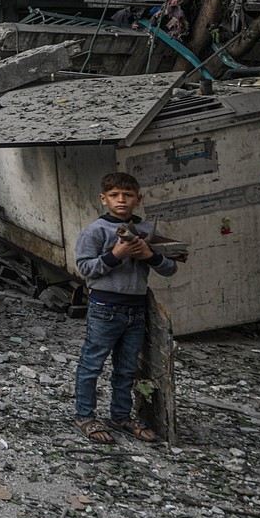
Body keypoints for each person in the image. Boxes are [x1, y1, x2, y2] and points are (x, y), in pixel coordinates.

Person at [72, 172, 178, 445]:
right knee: (92, 364)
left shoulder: (146, 230)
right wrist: (115, 255)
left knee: (127, 368)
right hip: (105, 308)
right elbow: (84, 268)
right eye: (115, 195)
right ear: (103, 198)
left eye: (128, 195)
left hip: (136, 310)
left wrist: (150, 255)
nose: (121, 200)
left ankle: (120, 416)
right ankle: (85, 416)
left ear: (138, 199)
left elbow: (171, 268)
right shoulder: (96, 230)